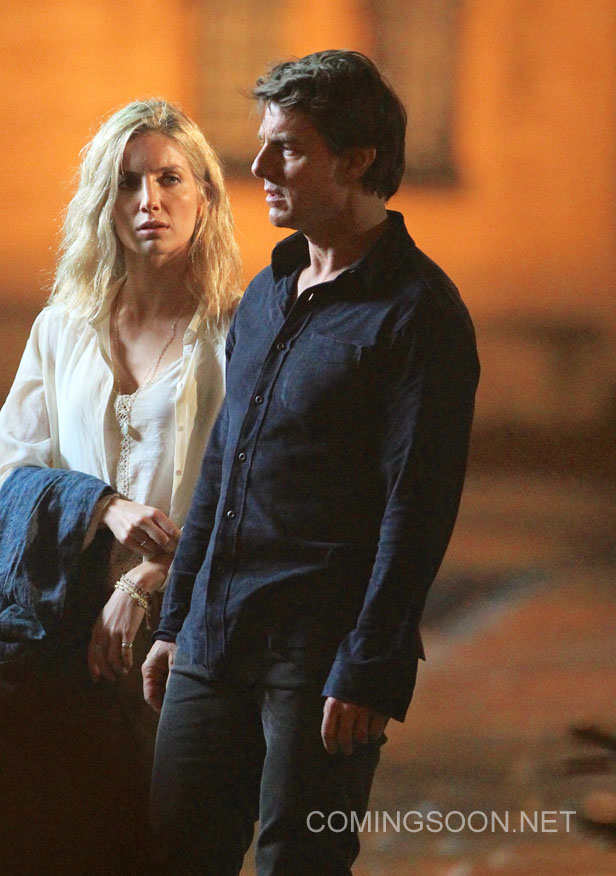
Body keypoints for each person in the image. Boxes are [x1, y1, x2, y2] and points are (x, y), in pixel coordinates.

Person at [143, 50, 480, 875]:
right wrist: (176, 620)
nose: (259, 167)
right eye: (263, 143)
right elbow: (222, 465)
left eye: (288, 148)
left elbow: (418, 506)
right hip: (214, 636)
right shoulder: (267, 291)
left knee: (301, 862)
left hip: (320, 656)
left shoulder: (419, 314)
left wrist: (370, 665)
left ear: (357, 161)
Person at [0, 98, 241, 770]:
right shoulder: (62, 328)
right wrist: (104, 506)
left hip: (191, 623)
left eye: (169, 178)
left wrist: (149, 577)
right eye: (127, 183)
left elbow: (253, 496)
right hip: (65, 620)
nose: (148, 200)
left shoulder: (237, 335)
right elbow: (10, 477)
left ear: (205, 196)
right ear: (105, 202)